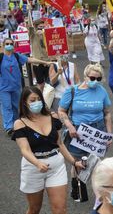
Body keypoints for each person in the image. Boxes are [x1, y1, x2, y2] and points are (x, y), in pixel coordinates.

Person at [11, 86, 85, 214]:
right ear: (24, 102)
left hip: (56, 166)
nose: (37, 102)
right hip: (33, 168)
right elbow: (25, 150)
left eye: (39, 99)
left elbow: (60, 144)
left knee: (60, 209)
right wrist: (37, 163)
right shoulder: (20, 123)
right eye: (32, 100)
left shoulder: (53, 116)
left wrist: (74, 162)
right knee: (34, 209)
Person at [58, 63, 112, 202]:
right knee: (77, 162)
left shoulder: (102, 91)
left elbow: (107, 113)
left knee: (95, 163)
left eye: (98, 79)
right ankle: (77, 188)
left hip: (98, 130)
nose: (95, 82)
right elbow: (61, 111)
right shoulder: (72, 91)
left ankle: (98, 196)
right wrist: (70, 126)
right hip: (78, 131)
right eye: (92, 78)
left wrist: (109, 135)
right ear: (85, 76)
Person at [1, 38, 50, 136]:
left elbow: (30, 60)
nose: (9, 45)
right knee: (7, 107)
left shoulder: (16, 56)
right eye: (7, 43)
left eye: (11, 43)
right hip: (3, 88)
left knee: (16, 106)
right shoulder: (1, 57)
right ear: (3, 45)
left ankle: (15, 124)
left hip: (16, 87)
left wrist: (44, 62)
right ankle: (9, 127)